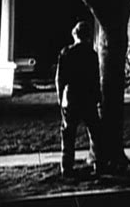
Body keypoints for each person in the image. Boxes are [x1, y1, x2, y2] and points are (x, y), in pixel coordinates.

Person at [55, 21, 103, 177]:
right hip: (88, 97)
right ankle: (98, 163)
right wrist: (98, 97)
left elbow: (60, 79)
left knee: (68, 134)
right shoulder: (92, 54)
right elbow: (96, 79)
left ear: (74, 34)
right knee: (95, 132)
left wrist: (60, 96)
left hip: (71, 98)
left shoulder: (66, 53)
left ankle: (66, 167)